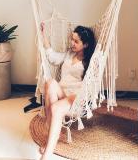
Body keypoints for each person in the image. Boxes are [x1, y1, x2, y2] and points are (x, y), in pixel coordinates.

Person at [39, 23, 96, 160]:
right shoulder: (69, 55)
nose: (72, 43)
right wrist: (43, 35)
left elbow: (92, 84)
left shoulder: (90, 62)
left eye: (76, 41)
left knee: (56, 108)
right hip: (62, 92)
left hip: (76, 98)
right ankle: (53, 130)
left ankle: (47, 153)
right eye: (72, 39)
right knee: (51, 83)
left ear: (86, 45)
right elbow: (51, 56)